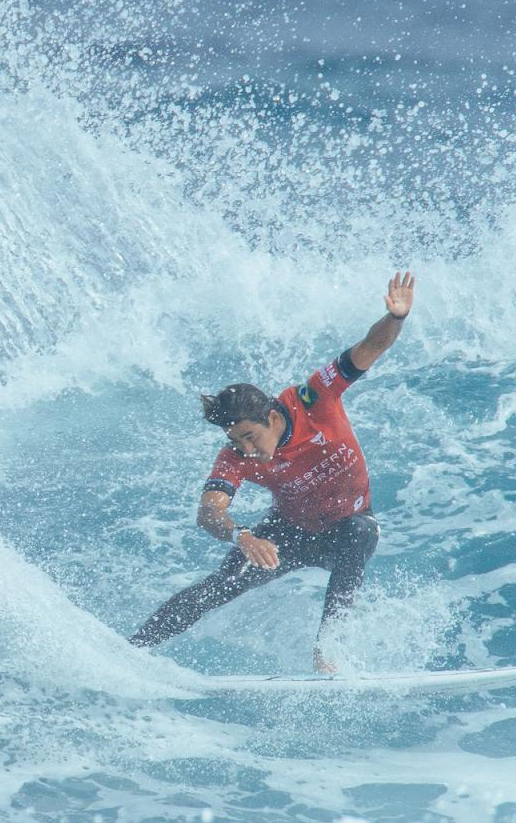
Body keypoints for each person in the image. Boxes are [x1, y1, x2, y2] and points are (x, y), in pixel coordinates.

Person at [130, 272, 416, 672]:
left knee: (359, 532)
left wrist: (395, 319)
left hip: (346, 529)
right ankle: (133, 650)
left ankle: (327, 651)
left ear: (269, 416)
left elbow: (369, 347)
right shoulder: (235, 456)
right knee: (219, 586)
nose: (247, 450)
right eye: (236, 441)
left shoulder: (315, 397)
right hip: (289, 532)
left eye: (249, 436)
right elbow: (209, 511)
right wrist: (241, 535)